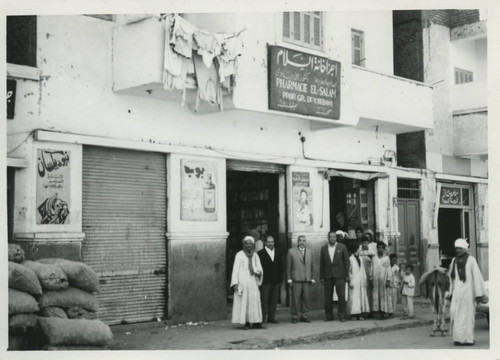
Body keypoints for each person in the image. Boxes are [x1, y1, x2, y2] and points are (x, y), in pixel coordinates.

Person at [447, 238, 488, 346]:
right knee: (456, 313)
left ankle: (468, 339)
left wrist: (479, 293)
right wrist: (450, 292)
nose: (458, 250)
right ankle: (458, 338)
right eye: (456, 248)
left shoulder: (471, 260)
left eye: (460, 248)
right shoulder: (454, 260)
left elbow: (477, 277)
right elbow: (451, 277)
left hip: (468, 292)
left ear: (465, 248)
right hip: (457, 292)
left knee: (468, 316)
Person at [230, 236, 264, 330]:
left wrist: (258, 272)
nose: (248, 245)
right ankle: (247, 323)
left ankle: (256, 322)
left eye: (250, 244)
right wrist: (235, 283)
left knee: (254, 301)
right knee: (245, 302)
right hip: (243, 281)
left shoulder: (255, 255)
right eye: (247, 244)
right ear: (244, 245)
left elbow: (260, 267)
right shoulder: (239, 255)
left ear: (253, 245)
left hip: (253, 281)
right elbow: (235, 270)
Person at [319, 231, 350, 322]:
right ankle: (329, 316)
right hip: (328, 275)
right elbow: (322, 263)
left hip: (340, 275)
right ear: (328, 238)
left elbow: (346, 262)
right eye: (330, 237)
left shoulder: (342, 247)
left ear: (336, 238)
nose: (332, 238)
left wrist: (347, 275)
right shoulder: (324, 249)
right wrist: (321, 276)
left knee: (341, 296)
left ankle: (342, 315)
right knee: (327, 297)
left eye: (333, 237)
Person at [286, 235, 315, 323]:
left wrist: (312, 277)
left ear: (306, 242)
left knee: (306, 298)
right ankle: (295, 316)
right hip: (296, 279)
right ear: (298, 242)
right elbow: (288, 267)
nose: (302, 242)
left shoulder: (310, 252)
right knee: (296, 299)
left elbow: (312, 266)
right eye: (300, 241)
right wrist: (289, 279)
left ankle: (304, 315)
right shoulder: (291, 251)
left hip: (307, 279)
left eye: (304, 240)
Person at [258, 235, 283, 324]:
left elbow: (281, 267)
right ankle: (262, 318)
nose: (270, 243)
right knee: (264, 301)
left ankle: (271, 318)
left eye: (272, 242)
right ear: (265, 243)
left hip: (276, 281)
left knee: (274, 300)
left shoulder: (278, 252)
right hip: (265, 281)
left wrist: (281, 280)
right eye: (268, 242)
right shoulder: (260, 253)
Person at [347, 241, 370, 320]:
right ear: (356, 249)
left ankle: (360, 314)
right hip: (354, 281)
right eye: (359, 248)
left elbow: (362, 270)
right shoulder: (350, 259)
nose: (360, 249)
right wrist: (350, 280)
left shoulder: (360, 258)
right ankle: (353, 314)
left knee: (361, 297)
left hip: (361, 280)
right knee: (354, 298)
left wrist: (365, 279)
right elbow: (349, 271)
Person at [370, 241, 391, 319]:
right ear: (377, 249)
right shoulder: (374, 258)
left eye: (382, 248)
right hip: (375, 279)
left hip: (383, 279)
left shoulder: (386, 258)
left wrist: (388, 279)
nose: (380, 249)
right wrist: (371, 278)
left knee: (383, 295)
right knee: (376, 294)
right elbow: (372, 269)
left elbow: (388, 269)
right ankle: (376, 310)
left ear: (384, 249)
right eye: (379, 248)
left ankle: (383, 310)